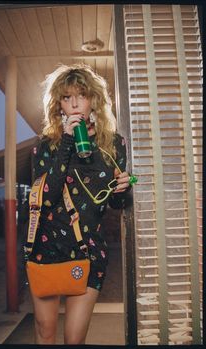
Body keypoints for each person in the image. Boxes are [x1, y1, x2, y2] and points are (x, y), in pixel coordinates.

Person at [26, 64, 131, 344]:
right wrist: (67, 142)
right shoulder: (46, 145)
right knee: (45, 330)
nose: (74, 103)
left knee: (74, 339)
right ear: (58, 104)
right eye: (66, 97)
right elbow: (46, 196)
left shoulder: (114, 144)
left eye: (81, 95)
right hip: (46, 247)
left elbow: (117, 203)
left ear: (93, 100)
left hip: (88, 248)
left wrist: (123, 187)